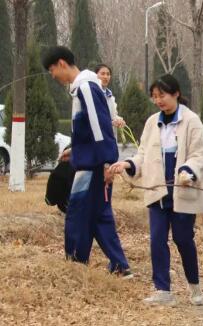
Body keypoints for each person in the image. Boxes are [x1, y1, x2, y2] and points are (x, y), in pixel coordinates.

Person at [109, 74, 203, 305]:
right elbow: (143, 153)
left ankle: (194, 286)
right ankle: (163, 291)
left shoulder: (191, 120)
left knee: (183, 239)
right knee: (156, 239)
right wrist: (128, 164)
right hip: (158, 191)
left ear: (176, 93)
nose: (158, 100)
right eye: (154, 97)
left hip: (182, 189)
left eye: (162, 95)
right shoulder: (152, 121)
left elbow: (200, 154)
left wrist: (189, 171)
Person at [41, 46, 132, 277]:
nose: (53, 76)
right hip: (89, 162)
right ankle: (119, 266)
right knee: (98, 216)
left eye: (52, 70)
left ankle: (75, 265)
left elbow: (100, 128)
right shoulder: (83, 88)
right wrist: (75, 150)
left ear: (62, 64)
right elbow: (89, 131)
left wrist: (105, 164)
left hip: (94, 166)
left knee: (79, 215)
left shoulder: (86, 87)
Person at [94, 64, 125, 130]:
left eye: (108, 74)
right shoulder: (92, 95)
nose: (106, 77)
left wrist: (119, 121)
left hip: (110, 137)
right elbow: (93, 118)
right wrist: (110, 123)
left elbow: (113, 116)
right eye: (102, 74)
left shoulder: (110, 96)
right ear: (95, 75)